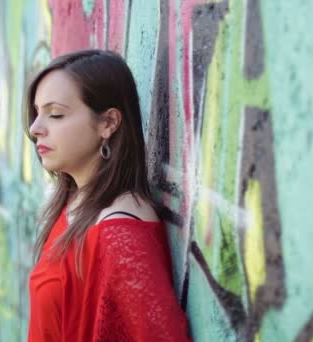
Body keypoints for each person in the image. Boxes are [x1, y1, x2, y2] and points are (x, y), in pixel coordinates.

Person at [25, 49, 192, 341]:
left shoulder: (120, 231)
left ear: (108, 123)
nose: (35, 128)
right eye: (37, 113)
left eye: (55, 114)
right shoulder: (76, 202)